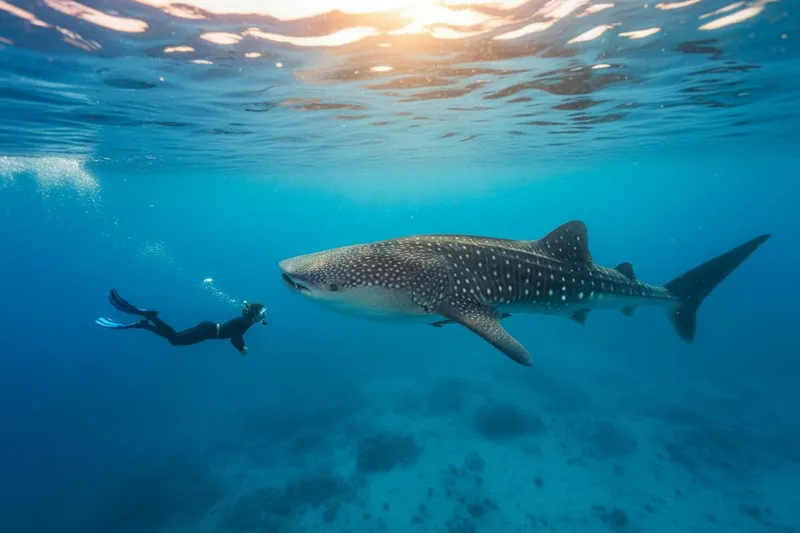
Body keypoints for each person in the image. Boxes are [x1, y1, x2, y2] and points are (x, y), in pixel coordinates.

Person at [95, 289, 266, 355]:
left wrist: (239, 344)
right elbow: (235, 337)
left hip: (208, 328)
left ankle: (148, 321)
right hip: (208, 331)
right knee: (174, 340)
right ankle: (150, 319)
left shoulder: (246, 320)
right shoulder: (246, 322)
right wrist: (242, 348)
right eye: (262, 313)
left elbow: (235, 334)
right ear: (256, 313)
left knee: (174, 338)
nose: (263, 317)